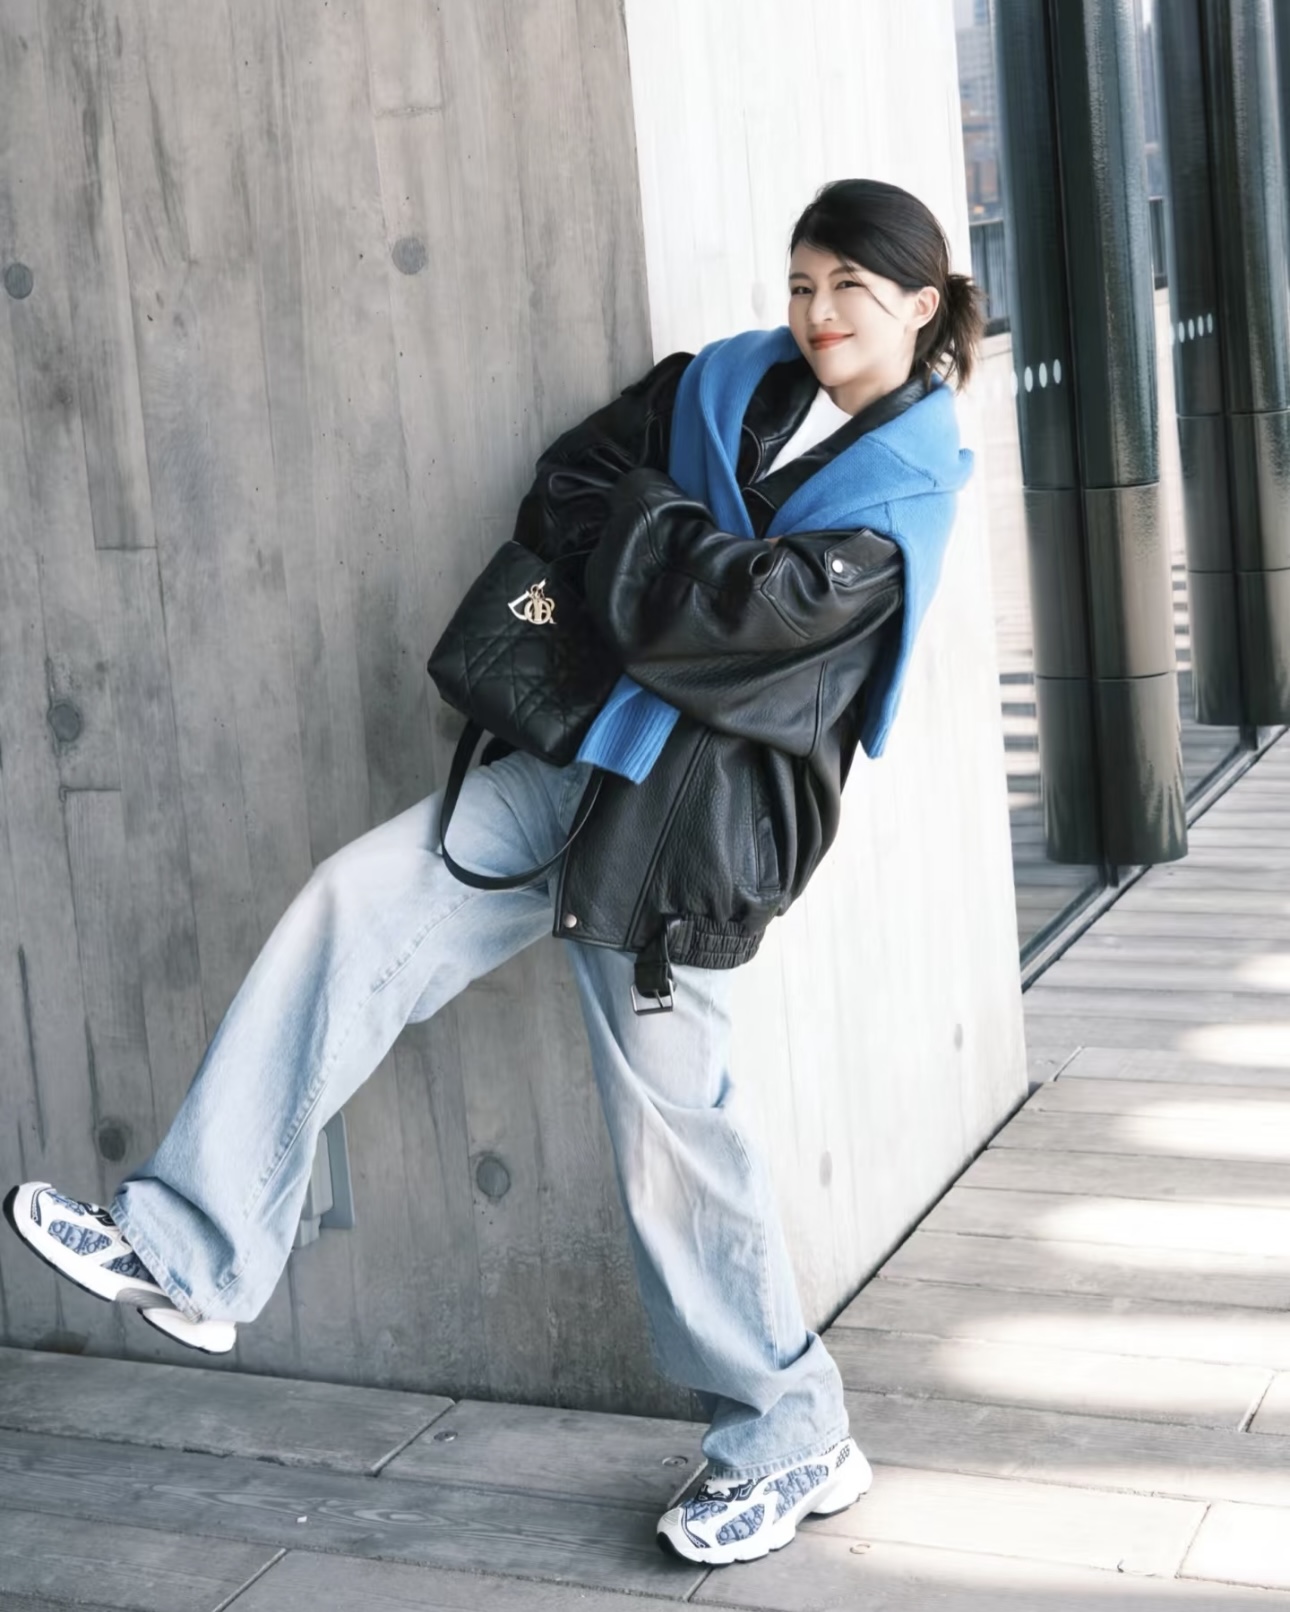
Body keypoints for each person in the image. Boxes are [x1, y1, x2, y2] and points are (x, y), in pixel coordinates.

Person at [4, 177, 982, 1567]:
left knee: (671, 1135)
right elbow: (571, 484)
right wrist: (665, 548)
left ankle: (791, 1430)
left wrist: (648, 540)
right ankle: (189, 1248)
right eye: (802, 283)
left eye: (852, 292)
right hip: (570, 760)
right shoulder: (724, 386)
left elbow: (727, 628)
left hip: (685, 833)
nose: (818, 315)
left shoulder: (902, 499)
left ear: (923, 306)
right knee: (355, 908)